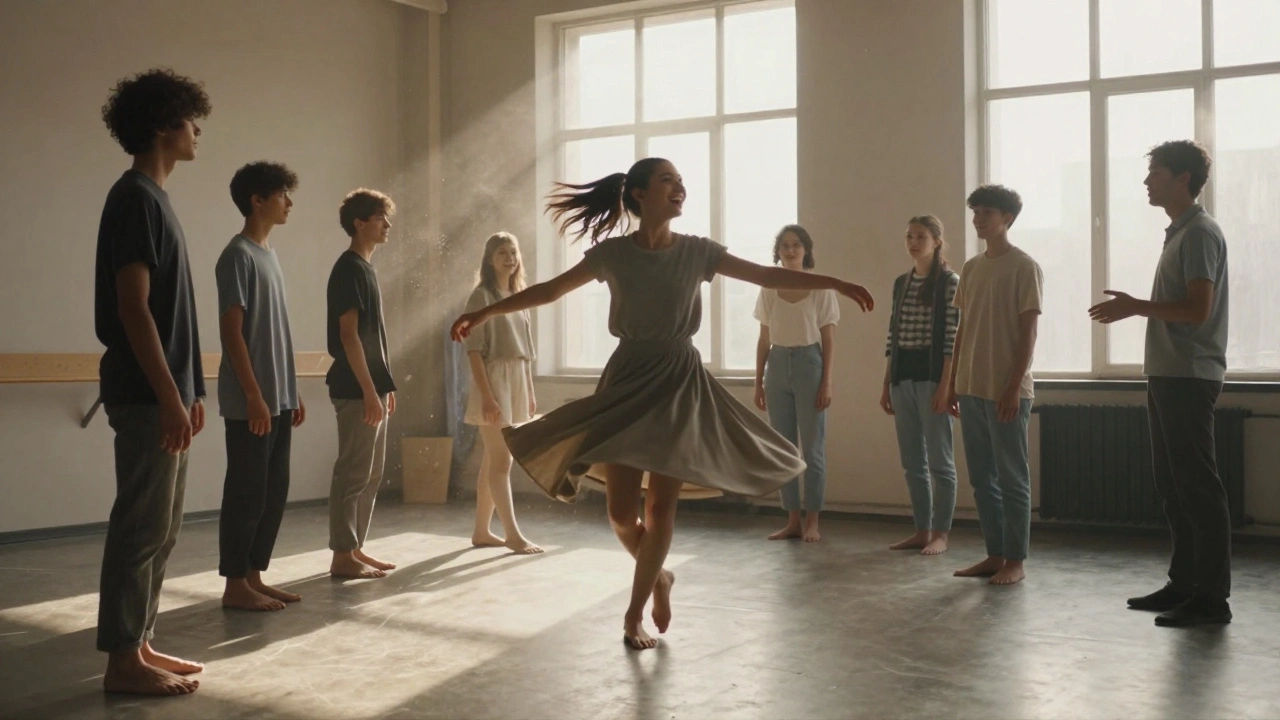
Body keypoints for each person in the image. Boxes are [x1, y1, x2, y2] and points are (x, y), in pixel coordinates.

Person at [451, 157, 874, 650]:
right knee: (617, 512)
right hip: (627, 378)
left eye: (681, 181)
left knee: (661, 510)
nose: (680, 187)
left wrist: (836, 283)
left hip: (678, 381)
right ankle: (660, 577)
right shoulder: (612, 254)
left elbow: (765, 276)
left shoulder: (697, 252)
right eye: (668, 180)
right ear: (638, 194)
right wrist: (484, 312)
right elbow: (549, 291)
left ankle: (634, 616)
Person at [93, 68, 210, 696]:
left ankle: (138, 640)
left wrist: (189, 392)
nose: (199, 134)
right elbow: (134, 306)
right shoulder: (136, 197)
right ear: (165, 125)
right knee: (141, 524)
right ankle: (121, 660)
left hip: (167, 391)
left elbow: (166, 315)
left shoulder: (156, 199)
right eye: (193, 122)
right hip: (144, 393)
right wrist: (169, 395)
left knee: (162, 526)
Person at [1089, 140, 1232, 627]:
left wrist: (1135, 307)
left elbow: (1198, 310)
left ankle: (1212, 599)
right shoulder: (1179, 234)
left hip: (1189, 375)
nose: (1147, 181)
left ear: (1183, 179)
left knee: (1196, 488)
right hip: (1170, 372)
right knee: (1174, 486)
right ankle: (1185, 584)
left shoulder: (1200, 234)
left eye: (1156, 173)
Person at [215, 161, 305, 611]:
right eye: (283, 194)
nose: (290, 202)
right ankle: (234, 585)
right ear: (258, 200)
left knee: (273, 492)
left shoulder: (270, 256)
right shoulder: (238, 255)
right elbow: (232, 331)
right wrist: (253, 395)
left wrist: (291, 391)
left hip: (279, 398)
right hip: (250, 402)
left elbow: (277, 332)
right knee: (247, 492)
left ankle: (253, 575)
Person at [947, 185, 1042, 586]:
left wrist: (1011, 386)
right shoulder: (970, 268)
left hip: (1007, 390)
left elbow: (1028, 332)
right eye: (975, 212)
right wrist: (953, 382)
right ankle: (995, 553)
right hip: (971, 386)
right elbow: (963, 327)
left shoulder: (1024, 266)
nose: (978, 219)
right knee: (982, 477)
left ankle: (1016, 560)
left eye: (986, 212)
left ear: (1008, 218)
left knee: (1012, 477)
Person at [326, 189, 398, 579]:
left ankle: (354, 548)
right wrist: (370, 391)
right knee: (353, 472)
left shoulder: (366, 268)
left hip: (372, 387)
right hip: (355, 388)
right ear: (359, 223)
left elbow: (373, 338)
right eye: (379, 218)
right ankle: (342, 556)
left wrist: (386, 387)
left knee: (371, 473)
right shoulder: (350, 269)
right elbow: (349, 335)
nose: (387, 225)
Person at [752, 225, 839, 543]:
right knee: (783, 448)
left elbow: (829, 338)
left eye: (797, 245)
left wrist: (826, 382)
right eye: (785, 245)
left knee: (812, 450)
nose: (790, 250)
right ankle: (792, 520)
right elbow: (763, 339)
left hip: (809, 364)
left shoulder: (820, 287)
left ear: (806, 250)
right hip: (777, 366)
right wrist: (758, 382)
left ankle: (813, 520)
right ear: (778, 250)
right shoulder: (768, 287)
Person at [880, 215, 960, 555]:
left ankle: (941, 534)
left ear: (937, 241)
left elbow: (951, 339)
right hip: (902, 377)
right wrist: (886, 384)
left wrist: (946, 385)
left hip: (932, 378)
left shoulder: (950, 282)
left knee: (940, 462)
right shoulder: (901, 283)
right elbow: (892, 336)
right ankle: (922, 530)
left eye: (921, 236)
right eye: (909, 236)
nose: (913, 242)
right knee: (912, 462)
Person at [463, 232, 543, 554]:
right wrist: (488, 397)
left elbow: (525, 353)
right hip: (494, 380)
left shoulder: (518, 296)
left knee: (493, 460)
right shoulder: (481, 297)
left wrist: (531, 390)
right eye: (501, 253)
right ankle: (512, 534)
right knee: (501, 460)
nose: (509, 258)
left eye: (513, 252)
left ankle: (482, 531)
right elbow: (473, 351)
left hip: (517, 381)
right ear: (489, 259)